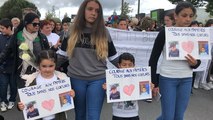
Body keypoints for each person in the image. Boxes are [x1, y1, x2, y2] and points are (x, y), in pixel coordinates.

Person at [66, 0, 118, 119]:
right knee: (80, 115)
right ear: (83, 10)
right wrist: (41, 69)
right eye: (90, 9)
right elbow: (62, 55)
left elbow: (113, 57)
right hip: (76, 78)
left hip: (98, 79)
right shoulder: (71, 30)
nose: (94, 13)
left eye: (97, 11)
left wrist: (133, 73)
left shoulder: (104, 32)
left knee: (93, 116)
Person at [149, 1, 201, 120]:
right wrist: (154, 82)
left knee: (178, 117)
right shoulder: (164, 33)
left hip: (187, 79)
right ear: (176, 16)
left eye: (191, 16)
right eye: (184, 15)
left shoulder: (195, 34)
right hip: (167, 78)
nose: (188, 19)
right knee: (168, 117)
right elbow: (153, 59)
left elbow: (198, 61)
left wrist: (195, 63)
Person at [18, 50, 75, 120]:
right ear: (39, 65)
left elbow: (66, 100)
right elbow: (27, 102)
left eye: (51, 66)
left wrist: (71, 94)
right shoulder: (32, 81)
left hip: (58, 117)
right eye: (44, 66)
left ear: (55, 65)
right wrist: (21, 106)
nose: (47, 69)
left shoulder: (61, 79)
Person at [0, 12, 50, 88]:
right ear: (27, 24)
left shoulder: (41, 37)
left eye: (38, 24)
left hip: (39, 71)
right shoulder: (17, 36)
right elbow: (6, 51)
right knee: (23, 96)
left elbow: (48, 54)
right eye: (34, 24)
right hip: (22, 73)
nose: (37, 26)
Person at [103, 53, 140, 120]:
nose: (127, 67)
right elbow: (111, 96)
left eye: (130, 65)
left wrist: (148, 88)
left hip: (133, 113)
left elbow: (144, 95)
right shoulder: (114, 79)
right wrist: (107, 89)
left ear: (134, 66)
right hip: (118, 114)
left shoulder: (137, 79)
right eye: (124, 65)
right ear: (119, 65)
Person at [0, 18, 17, 112]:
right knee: (3, 85)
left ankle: (12, 100)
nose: (1, 30)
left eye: (2, 28)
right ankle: (3, 101)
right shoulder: (0, 38)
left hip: (13, 67)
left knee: (13, 85)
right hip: (2, 67)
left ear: (9, 27)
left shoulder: (16, 38)